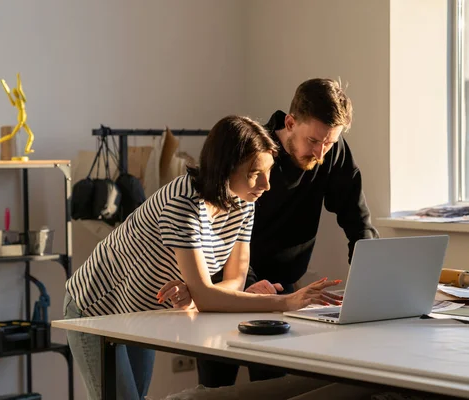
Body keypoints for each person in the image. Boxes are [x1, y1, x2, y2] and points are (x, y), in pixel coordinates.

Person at [63, 115, 343, 400]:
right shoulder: (183, 203)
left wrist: (197, 295)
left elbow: (234, 280)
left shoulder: (243, 202)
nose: (266, 184)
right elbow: (209, 298)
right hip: (95, 309)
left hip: (140, 313)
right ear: (226, 168)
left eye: (268, 171)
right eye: (255, 172)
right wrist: (286, 302)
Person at [159, 78, 379, 388]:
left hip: (282, 287)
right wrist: (247, 286)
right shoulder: (252, 157)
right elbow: (224, 234)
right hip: (225, 285)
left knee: (272, 387)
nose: (320, 153)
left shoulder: (332, 150)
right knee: (215, 388)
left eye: (328, 143)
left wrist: (372, 281)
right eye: (314, 141)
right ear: (290, 122)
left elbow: (358, 222)